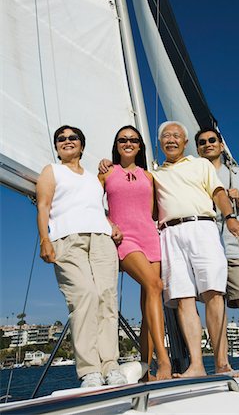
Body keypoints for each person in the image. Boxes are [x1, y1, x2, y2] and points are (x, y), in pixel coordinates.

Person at [36, 125, 127, 387]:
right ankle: (90, 370)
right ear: (56, 147)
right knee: (84, 295)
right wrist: (45, 239)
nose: (66, 141)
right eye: (61, 139)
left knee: (106, 298)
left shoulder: (92, 178)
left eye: (72, 138)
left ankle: (111, 365)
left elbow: (95, 207)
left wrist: (111, 224)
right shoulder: (51, 171)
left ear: (82, 146)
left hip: (101, 239)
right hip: (67, 239)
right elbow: (43, 205)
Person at [152, 121, 239, 377]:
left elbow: (218, 193)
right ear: (160, 143)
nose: (171, 139)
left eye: (176, 136)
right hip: (169, 233)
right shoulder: (154, 173)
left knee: (214, 292)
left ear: (185, 142)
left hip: (202, 226)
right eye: (166, 136)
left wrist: (230, 216)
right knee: (184, 298)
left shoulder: (201, 164)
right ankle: (197, 366)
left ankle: (222, 362)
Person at [98, 125, 172, 381]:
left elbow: (153, 211)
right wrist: (109, 224)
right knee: (155, 285)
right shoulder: (106, 173)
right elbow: (93, 203)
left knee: (149, 302)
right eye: (122, 140)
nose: (128, 143)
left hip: (150, 237)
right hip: (124, 239)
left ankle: (145, 371)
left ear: (140, 146)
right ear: (116, 145)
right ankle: (164, 362)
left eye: (133, 140)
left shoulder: (148, 176)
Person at [196, 127, 239, 373]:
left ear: (221, 146)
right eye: (202, 142)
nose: (208, 144)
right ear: (198, 148)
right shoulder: (195, 173)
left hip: (236, 247)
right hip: (206, 245)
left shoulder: (236, 173)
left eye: (212, 140)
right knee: (214, 305)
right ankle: (221, 364)